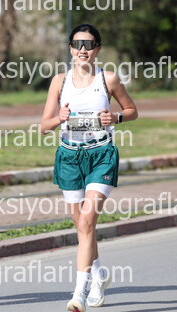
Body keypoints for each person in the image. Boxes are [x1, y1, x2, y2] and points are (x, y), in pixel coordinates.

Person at [40, 24, 138, 311]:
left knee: (86, 223)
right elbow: (44, 126)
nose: (83, 50)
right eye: (78, 44)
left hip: (101, 155)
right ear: (70, 49)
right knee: (82, 225)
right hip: (69, 157)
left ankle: (79, 293)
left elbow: (132, 111)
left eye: (89, 44)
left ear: (98, 49)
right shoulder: (59, 82)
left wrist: (116, 118)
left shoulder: (108, 79)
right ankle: (99, 274)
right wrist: (59, 118)